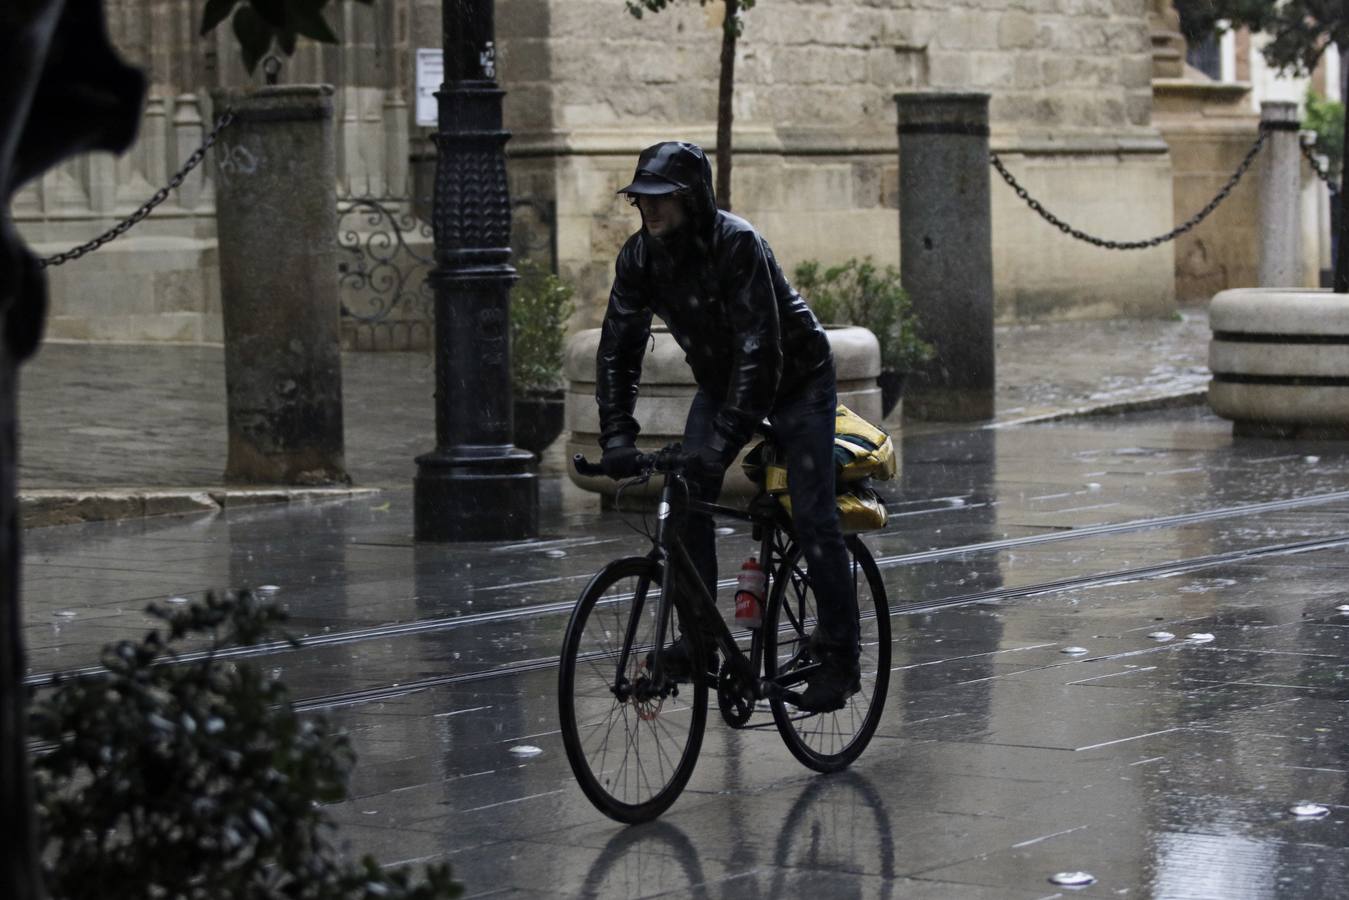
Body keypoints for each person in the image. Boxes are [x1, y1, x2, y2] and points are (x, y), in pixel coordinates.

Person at [594, 140, 860, 713]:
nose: (651, 210)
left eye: (663, 199)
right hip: (722, 383)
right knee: (685, 495)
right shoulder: (640, 258)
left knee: (812, 516)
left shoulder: (736, 244)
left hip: (797, 379)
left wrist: (717, 446)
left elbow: (762, 356)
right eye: (642, 200)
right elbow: (619, 346)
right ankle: (700, 642)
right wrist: (616, 434)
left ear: (693, 199)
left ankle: (840, 655)